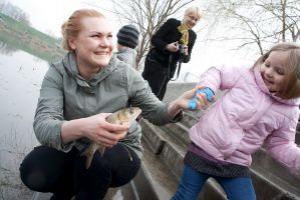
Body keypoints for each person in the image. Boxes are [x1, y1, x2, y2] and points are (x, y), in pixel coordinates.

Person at [18, 9, 207, 200]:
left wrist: (176, 105)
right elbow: (43, 125)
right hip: (73, 145)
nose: (106, 43)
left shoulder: (127, 75)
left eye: (109, 36)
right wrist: (84, 127)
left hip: (118, 150)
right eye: (96, 36)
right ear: (73, 42)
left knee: (98, 163)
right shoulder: (57, 73)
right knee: (35, 168)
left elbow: (157, 113)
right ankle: (64, 191)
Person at [171, 42, 300, 200]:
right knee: (185, 196)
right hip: (203, 149)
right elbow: (217, 71)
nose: (268, 72)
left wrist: (297, 160)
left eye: (279, 71)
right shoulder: (247, 75)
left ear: (295, 81)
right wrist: (208, 88)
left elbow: (280, 143)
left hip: (236, 163)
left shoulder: (290, 111)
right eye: (267, 64)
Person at [142, 7, 201, 100]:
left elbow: (187, 59)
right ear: (185, 15)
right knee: (146, 93)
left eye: (196, 20)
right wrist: (167, 46)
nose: (193, 21)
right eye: (191, 17)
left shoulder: (192, 36)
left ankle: (148, 113)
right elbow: (154, 39)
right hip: (155, 62)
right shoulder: (172, 23)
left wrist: (185, 53)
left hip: (168, 70)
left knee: (158, 96)